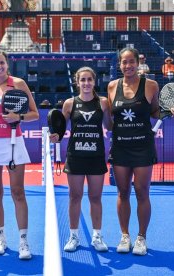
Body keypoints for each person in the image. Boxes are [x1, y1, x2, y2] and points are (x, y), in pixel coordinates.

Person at [108, 48, 174, 256]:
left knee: (142, 193)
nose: (128, 66)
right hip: (121, 146)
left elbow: (155, 112)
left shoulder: (151, 85)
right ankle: (124, 236)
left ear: (138, 63)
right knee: (122, 192)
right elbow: (112, 116)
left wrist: (170, 111)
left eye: (132, 61)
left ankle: (141, 238)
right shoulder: (112, 86)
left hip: (143, 147)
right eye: (124, 62)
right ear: (119, 65)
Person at [0, 49, 39, 260]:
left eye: (2, 63)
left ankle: (23, 241)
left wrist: (18, 116)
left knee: (18, 192)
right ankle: (0, 238)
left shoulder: (19, 83)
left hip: (14, 142)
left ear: (7, 64)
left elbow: (34, 113)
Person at [49, 67, 112, 252]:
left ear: (94, 81)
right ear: (77, 82)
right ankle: (73, 236)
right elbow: (60, 130)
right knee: (74, 197)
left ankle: (97, 236)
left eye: (89, 80)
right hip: (75, 156)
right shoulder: (69, 103)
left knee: (95, 197)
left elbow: (109, 125)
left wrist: (111, 114)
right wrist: (55, 137)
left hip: (96, 156)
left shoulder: (103, 103)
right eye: (82, 80)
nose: (86, 83)